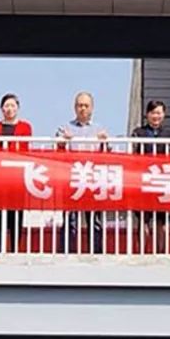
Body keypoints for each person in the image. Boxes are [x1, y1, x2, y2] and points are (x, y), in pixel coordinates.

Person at [56, 91, 110, 253]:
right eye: (80, 105)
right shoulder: (65, 128)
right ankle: (67, 251)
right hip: (72, 178)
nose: (83, 109)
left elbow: (109, 153)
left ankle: (96, 252)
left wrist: (105, 142)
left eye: (86, 105)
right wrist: (62, 141)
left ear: (92, 108)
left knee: (95, 220)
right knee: (70, 219)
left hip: (93, 178)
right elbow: (56, 150)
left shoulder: (99, 129)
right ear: (74, 107)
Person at [0, 93, 33, 252]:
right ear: (1, 109)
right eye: (6, 105)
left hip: (16, 177)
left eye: (13, 105)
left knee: (16, 214)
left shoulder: (25, 127)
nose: (9, 109)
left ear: (18, 108)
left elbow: (25, 150)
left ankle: (14, 249)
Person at [131, 100, 170, 252]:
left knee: (161, 220)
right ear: (147, 114)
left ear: (163, 115)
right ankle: (142, 252)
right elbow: (133, 155)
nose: (156, 116)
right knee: (143, 219)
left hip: (162, 181)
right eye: (153, 112)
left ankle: (161, 252)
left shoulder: (169, 134)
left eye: (159, 113)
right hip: (143, 181)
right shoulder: (138, 133)